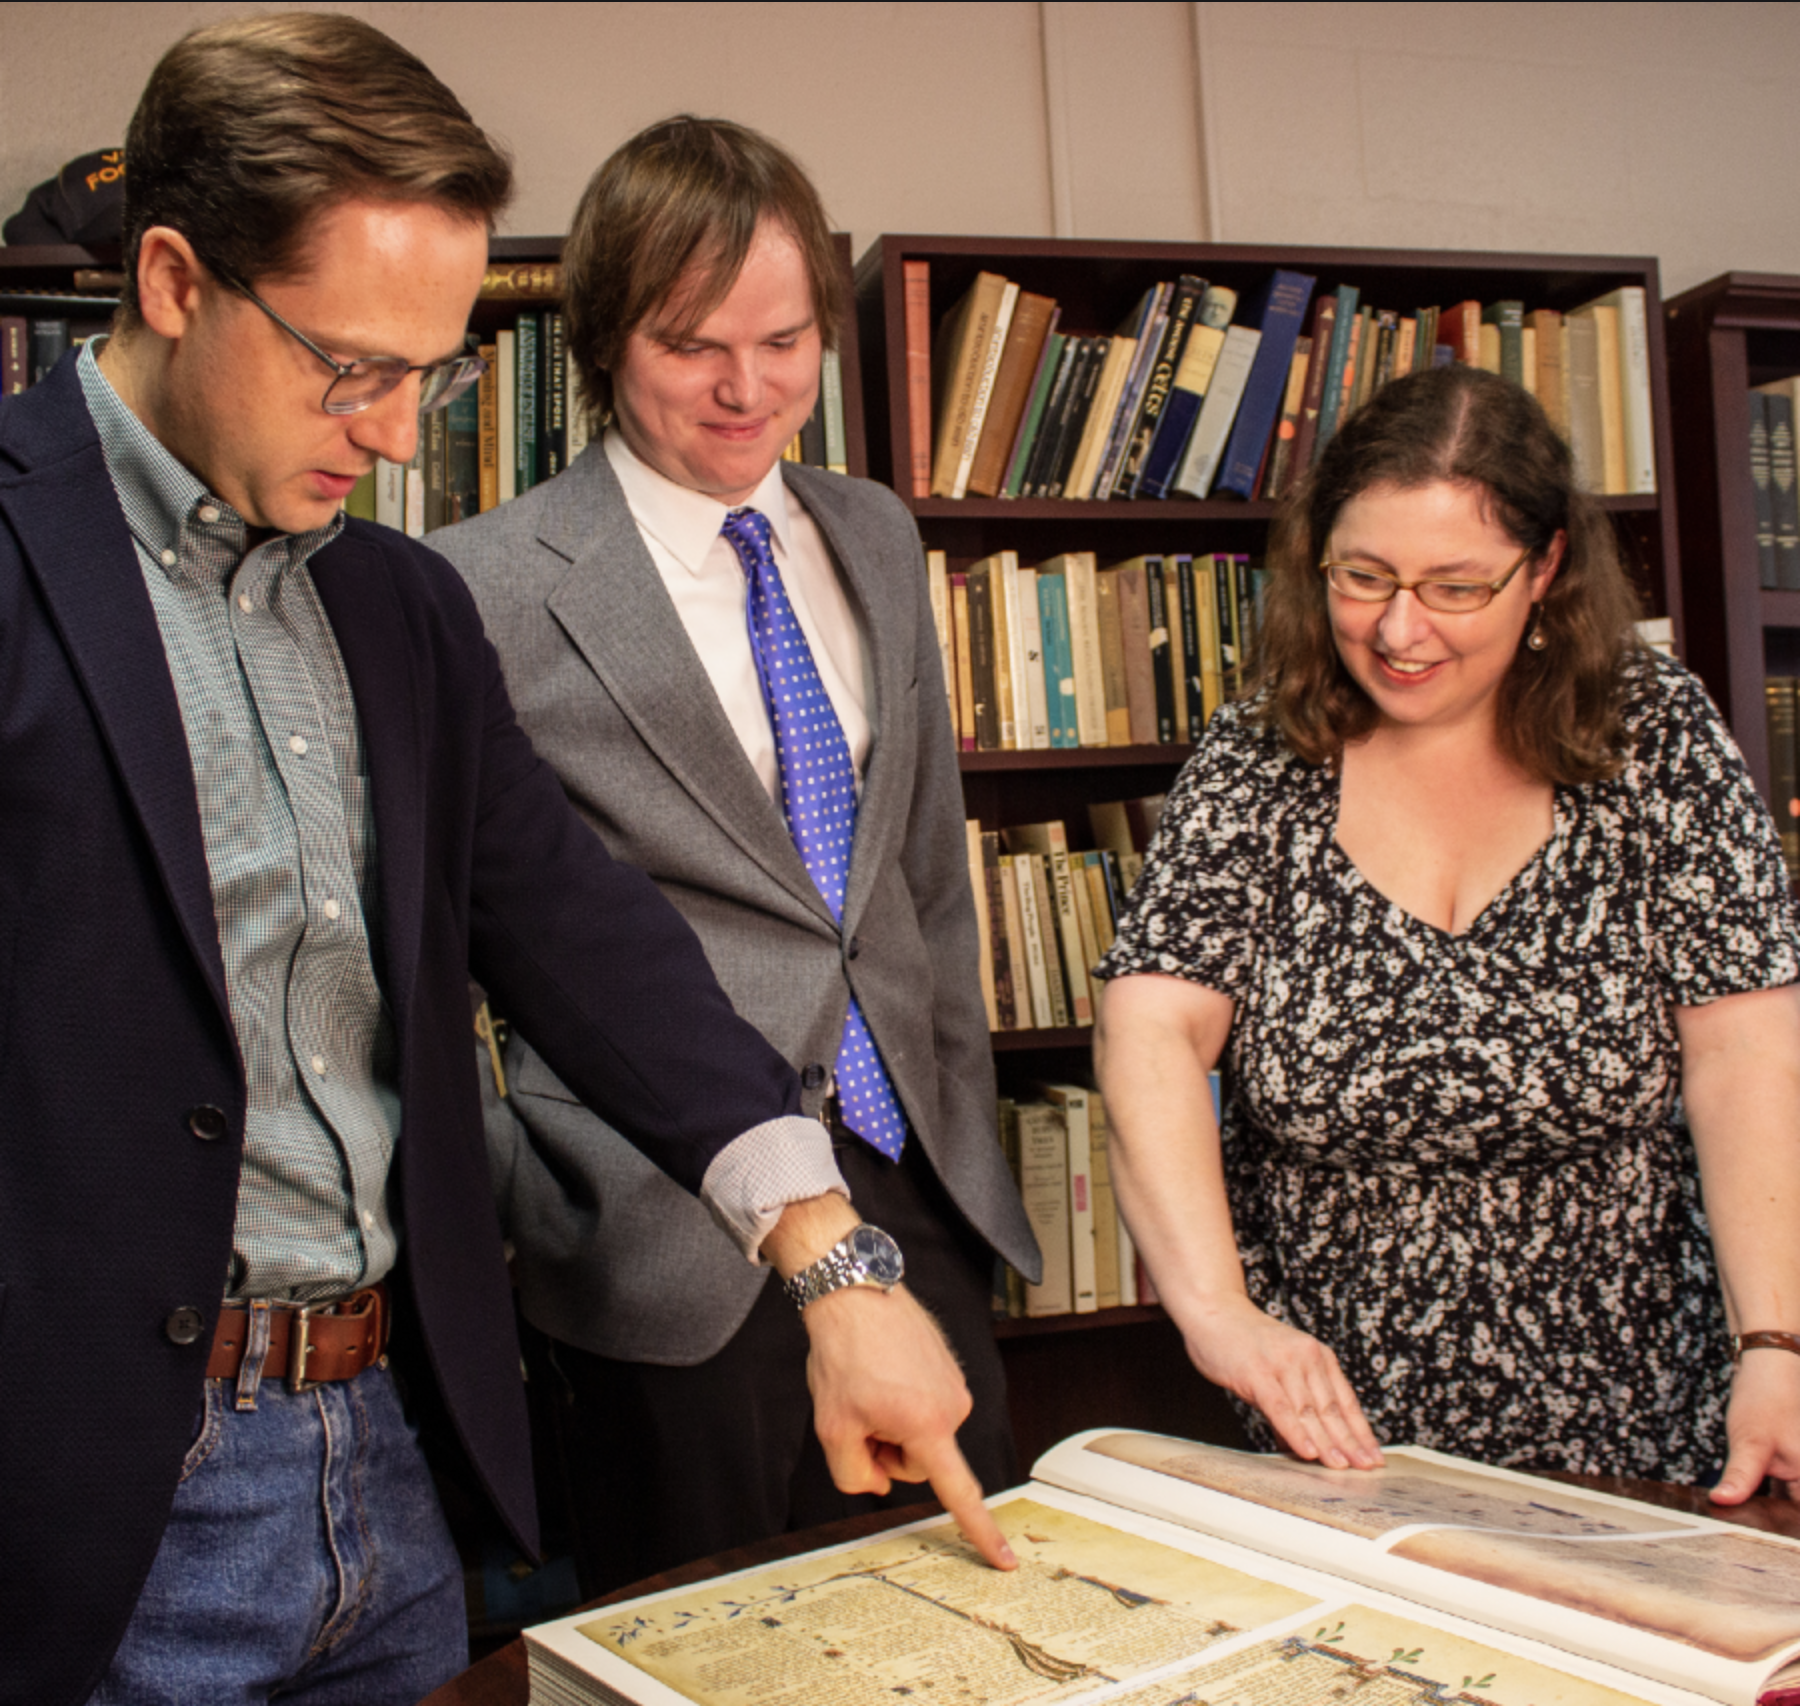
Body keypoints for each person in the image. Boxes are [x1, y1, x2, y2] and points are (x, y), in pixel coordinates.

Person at [1, 23, 1010, 1706]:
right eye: (349, 368)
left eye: (433, 373)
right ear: (172, 277)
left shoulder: (395, 607)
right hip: (90, 1504)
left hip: (390, 1470)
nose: (397, 436)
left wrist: (831, 1262)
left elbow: (587, 939)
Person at [432, 115, 1040, 1593]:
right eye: (693, 343)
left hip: (917, 1185)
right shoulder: (479, 584)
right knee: (710, 1643)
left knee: (982, 1617)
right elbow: (455, 940)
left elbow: (922, 876)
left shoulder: (877, 533)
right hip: (658, 1235)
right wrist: (532, 1182)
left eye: (783, 339)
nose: (746, 387)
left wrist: (955, 1110)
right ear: (597, 337)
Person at [1094, 363, 1800, 1500]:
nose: (1399, 628)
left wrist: (1776, 1342)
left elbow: (1746, 1052)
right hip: (1336, 1434)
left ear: (1547, 569)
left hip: (1646, 1425)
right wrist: (1219, 1311)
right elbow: (1152, 1032)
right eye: (1363, 575)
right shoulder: (1257, 757)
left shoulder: (1655, 734)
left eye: (1456, 586)